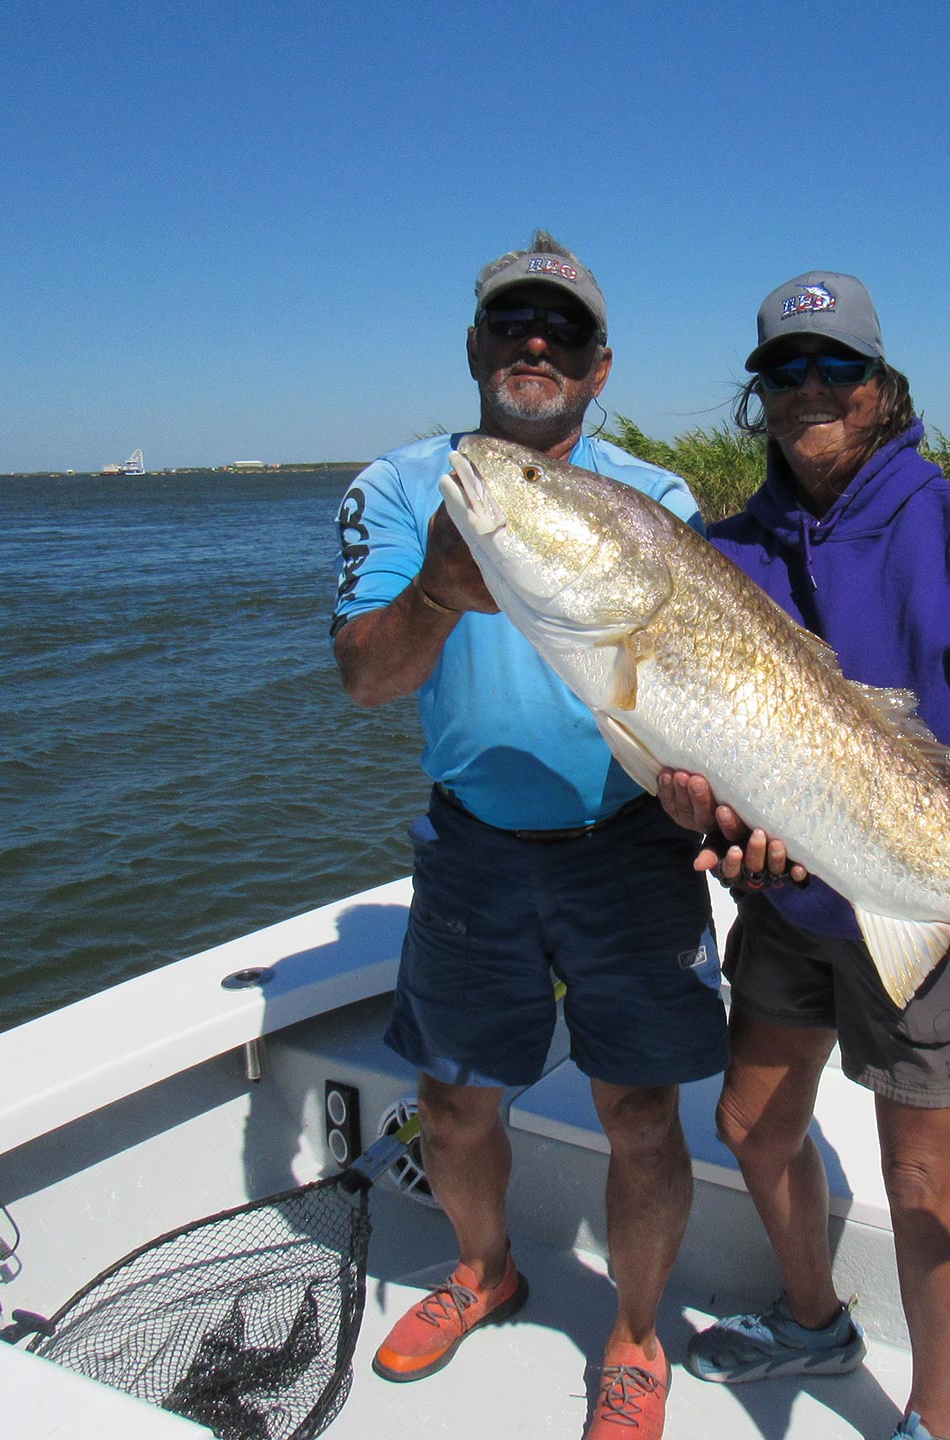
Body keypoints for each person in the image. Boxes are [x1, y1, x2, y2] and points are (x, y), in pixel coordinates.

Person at [332, 231, 726, 1440]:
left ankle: (637, 1337)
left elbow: (707, 694)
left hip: (631, 848)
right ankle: (483, 1270)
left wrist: (707, 789)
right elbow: (366, 680)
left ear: (601, 367)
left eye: (561, 330)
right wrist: (440, 592)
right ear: (475, 348)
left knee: (642, 1114)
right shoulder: (404, 488)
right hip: (475, 848)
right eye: (512, 325)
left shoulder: (657, 500)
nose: (535, 344)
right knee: (453, 1102)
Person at [659, 271, 950, 1440]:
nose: (812, 391)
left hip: (935, 913)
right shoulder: (719, 559)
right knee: (750, 1125)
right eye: (785, 371)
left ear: (883, 388)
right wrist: (711, 820)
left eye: (838, 368)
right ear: (760, 399)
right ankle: (814, 1318)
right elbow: (704, 761)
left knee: (926, 1189)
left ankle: (934, 1421)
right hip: (791, 916)